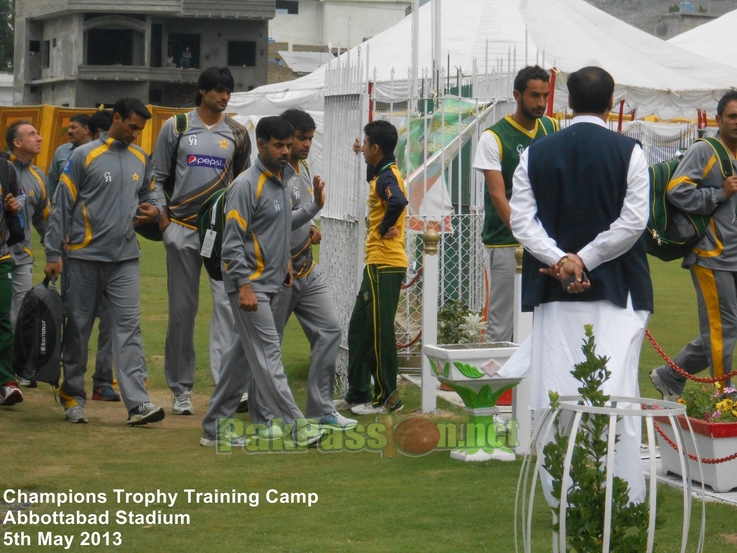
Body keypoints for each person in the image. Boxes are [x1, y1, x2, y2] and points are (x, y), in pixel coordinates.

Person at [504, 66, 652, 504]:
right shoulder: (630, 151)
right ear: (611, 104)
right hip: (617, 290)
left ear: (565, 102)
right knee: (617, 393)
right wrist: (582, 259)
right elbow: (633, 223)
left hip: (554, 290)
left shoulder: (535, 152)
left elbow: (521, 222)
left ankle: (563, 496)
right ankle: (622, 498)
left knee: (557, 390)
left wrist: (560, 259)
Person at [44, 97, 165, 426]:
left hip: (126, 257)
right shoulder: (84, 156)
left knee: (129, 328)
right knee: (79, 329)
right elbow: (62, 205)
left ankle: (138, 403)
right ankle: (72, 395)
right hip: (83, 256)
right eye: (132, 127)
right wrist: (53, 253)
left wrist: (155, 208)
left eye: (140, 129)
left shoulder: (141, 157)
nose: (136, 134)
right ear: (115, 119)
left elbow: (152, 193)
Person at [201, 116, 319, 447]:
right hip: (250, 287)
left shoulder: (282, 180)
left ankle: (213, 427)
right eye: (279, 146)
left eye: (287, 145)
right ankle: (297, 425)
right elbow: (232, 242)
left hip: (270, 283)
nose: (286, 151)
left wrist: (314, 208)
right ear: (262, 145)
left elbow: (280, 226)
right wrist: (243, 285)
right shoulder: (244, 186)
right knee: (268, 355)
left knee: (241, 360)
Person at [152, 67, 251, 416]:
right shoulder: (177, 127)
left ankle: (228, 389)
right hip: (180, 229)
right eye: (218, 91)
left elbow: (242, 185)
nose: (224, 97)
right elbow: (157, 176)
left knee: (227, 310)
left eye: (228, 92)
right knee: (182, 311)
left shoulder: (238, 133)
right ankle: (181, 390)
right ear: (202, 91)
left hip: (220, 233)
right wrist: (163, 220)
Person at [649, 90, 737, 401]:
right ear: (719, 119)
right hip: (711, 255)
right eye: (732, 116)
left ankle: (671, 375)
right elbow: (677, 191)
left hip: (734, 256)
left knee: (726, 329)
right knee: (723, 329)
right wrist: (718, 194)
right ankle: (723, 395)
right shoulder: (705, 150)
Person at [275, 108, 357, 429]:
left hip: (307, 267)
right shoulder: (276, 174)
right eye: (301, 138)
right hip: (281, 272)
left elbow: (297, 213)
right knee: (266, 344)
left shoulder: (304, 166)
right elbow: (273, 223)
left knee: (330, 330)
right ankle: (255, 406)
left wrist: (309, 228)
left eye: (310, 138)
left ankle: (321, 409)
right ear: (285, 137)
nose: (307, 144)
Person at [472, 65, 557, 342]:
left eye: (545, 95)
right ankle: (494, 385)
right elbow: (498, 195)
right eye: (534, 95)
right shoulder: (493, 137)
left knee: (542, 320)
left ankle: (532, 385)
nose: (541, 103)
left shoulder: (551, 127)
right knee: (502, 323)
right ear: (517, 95)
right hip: (507, 241)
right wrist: (527, 236)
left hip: (545, 241)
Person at [335, 121, 409, 416]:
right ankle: (358, 393)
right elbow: (377, 185)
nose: (362, 149)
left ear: (375, 148)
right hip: (376, 264)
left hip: (386, 264)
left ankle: (388, 398)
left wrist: (383, 227)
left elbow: (398, 201)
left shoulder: (387, 177)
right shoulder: (382, 173)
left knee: (379, 332)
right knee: (359, 329)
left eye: (365, 145)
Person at [6, 121, 48, 328]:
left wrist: (57, 248)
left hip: (23, 257)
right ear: (17, 142)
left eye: (38, 134)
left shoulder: (39, 177)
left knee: (21, 317)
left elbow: (43, 218)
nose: (39, 138)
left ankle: (19, 361)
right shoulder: (2, 168)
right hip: (1, 254)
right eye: (32, 134)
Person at [0, 157, 23, 406]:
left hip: (1, 256)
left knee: (3, 319)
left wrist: (14, 206)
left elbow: (14, 204)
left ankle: (7, 381)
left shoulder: (5, 168)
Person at [47, 114, 90, 203]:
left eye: (73, 128)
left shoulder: (95, 151)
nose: (69, 131)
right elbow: (52, 181)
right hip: (62, 206)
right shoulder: (61, 151)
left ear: (85, 129)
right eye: (69, 128)